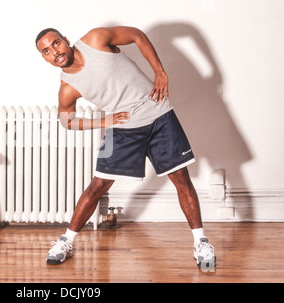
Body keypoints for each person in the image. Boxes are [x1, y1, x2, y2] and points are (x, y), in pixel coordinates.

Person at [35, 26, 216, 268]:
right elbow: (66, 120)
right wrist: (103, 121)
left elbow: (137, 36)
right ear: (45, 58)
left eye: (55, 43)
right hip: (120, 128)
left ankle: (200, 242)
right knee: (98, 185)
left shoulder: (95, 39)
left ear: (65, 40)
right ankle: (66, 241)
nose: (54, 52)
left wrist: (160, 72)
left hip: (159, 114)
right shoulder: (67, 87)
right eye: (46, 51)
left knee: (181, 178)